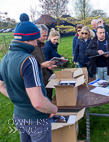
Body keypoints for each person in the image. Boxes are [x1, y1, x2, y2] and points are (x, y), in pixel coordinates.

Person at [0, 13, 58, 142]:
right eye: (35, 40)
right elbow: (38, 102)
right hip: (36, 119)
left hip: (19, 117)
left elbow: (1, 86)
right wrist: (54, 108)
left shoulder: (4, 59)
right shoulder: (29, 60)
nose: (36, 44)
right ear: (27, 39)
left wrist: (20, 99)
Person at [31, 24, 56, 101]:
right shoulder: (32, 46)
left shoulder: (40, 45)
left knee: (48, 97)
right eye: (44, 36)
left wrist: (47, 65)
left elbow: (40, 60)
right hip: (37, 80)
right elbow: (29, 64)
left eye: (46, 36)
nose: (46, 38)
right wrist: (42, 65)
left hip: (44, 76)